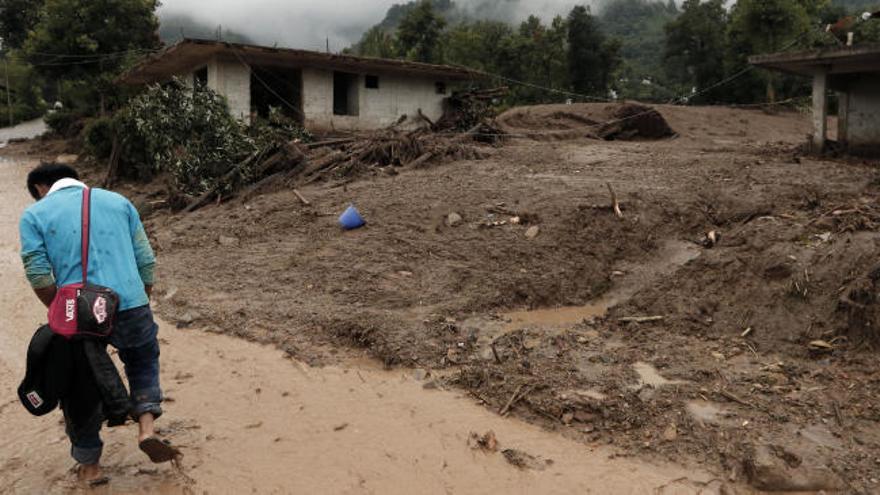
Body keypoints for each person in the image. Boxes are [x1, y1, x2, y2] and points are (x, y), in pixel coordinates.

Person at [19, 163, 179, 483]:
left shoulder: (34, 215)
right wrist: (138, 298)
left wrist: (63, 313)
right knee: (142, 361)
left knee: (80, 386)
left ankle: (90, 467)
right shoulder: (119, 202)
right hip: (130, 301)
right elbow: (146, 259)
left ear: (40, 188)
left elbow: (38, 275)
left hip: (79, 313)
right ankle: (146, 427)